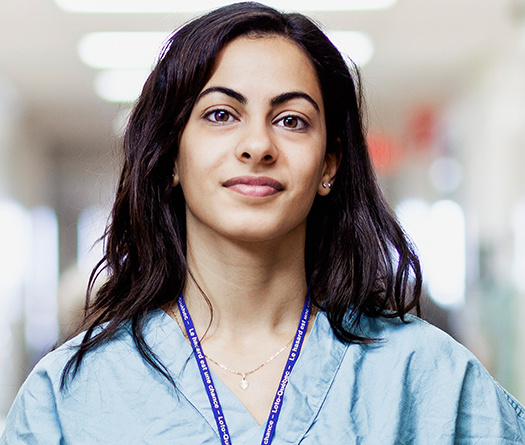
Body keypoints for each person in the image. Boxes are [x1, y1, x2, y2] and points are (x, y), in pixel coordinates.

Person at [2, 2, 525, 444]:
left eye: (291, 120)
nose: (257, 146)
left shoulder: (428, 379)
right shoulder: (69, 396)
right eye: (221, 115)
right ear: (172, 158)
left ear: (328, 165)